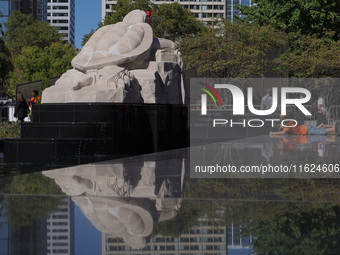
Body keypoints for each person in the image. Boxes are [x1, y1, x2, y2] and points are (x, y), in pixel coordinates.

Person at [269, 122, 335, 135]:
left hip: (306, 129)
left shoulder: (287, 126)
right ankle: (336, 131)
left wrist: (273, 133)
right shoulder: (289, 123)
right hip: (306, 128)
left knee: (322, 131)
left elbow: (283, 133)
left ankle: (336, 129)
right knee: (322, 131)